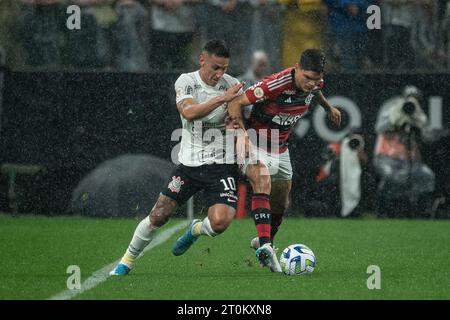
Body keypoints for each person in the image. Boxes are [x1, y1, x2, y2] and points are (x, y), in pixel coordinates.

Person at [110, 39, 243, 275]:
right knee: (159, 214)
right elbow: (190, 112)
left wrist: (238, 125)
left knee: (220, 223)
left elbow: (238, 118)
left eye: (224, 68)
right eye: (215, 68)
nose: (220, 74)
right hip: (190, 165)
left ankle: (195, 230)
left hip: (222, 165)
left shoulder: (232, 85)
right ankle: (127, 260)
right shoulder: (187, 81)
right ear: (202, 60)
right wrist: (222, 99)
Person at [228, 49, 341, 272]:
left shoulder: (315, 83)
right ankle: (266, 246)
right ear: (297, 68)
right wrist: (241, 136)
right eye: (307, 78)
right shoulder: (274, 85)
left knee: (281, 203)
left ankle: (264, 239)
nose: (312, 83)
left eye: (316, 79)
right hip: (255, 142)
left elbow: (315, 92)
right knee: (262, 181)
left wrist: (329, 107)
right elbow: (235, 103)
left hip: (280, 147)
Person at [373, 85, 435, 217]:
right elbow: (379, 128)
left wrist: (418, 126)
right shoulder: (392, 107)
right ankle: (383, 212)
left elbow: (429, 137)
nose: (412, 102)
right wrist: (396, 121)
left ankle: (422, 213)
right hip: (386, 157)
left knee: (427, 176)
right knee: (391, 177)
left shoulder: (418, 113)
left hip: (410, 159)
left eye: (416, 99)